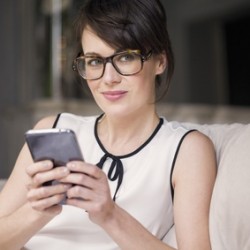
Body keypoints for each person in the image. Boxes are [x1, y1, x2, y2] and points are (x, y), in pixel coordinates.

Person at [0, 0, 217, 249]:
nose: (108, 78)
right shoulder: (52, 128)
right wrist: (38, 212)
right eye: (94, 61)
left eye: (125, 57)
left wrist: (110, 215)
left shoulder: (187, 150)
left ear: (160, 61)